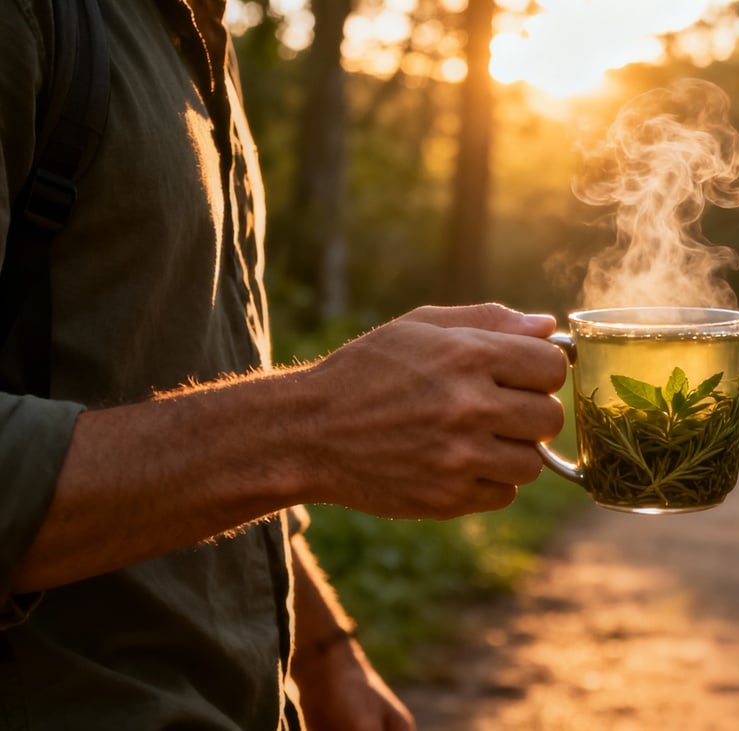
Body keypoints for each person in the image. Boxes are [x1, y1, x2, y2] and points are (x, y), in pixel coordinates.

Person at [0, 0, 567, 728]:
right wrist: (310, 427)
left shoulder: (197, 39)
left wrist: (325, 659)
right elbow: (255, 444)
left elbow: (189, 394)